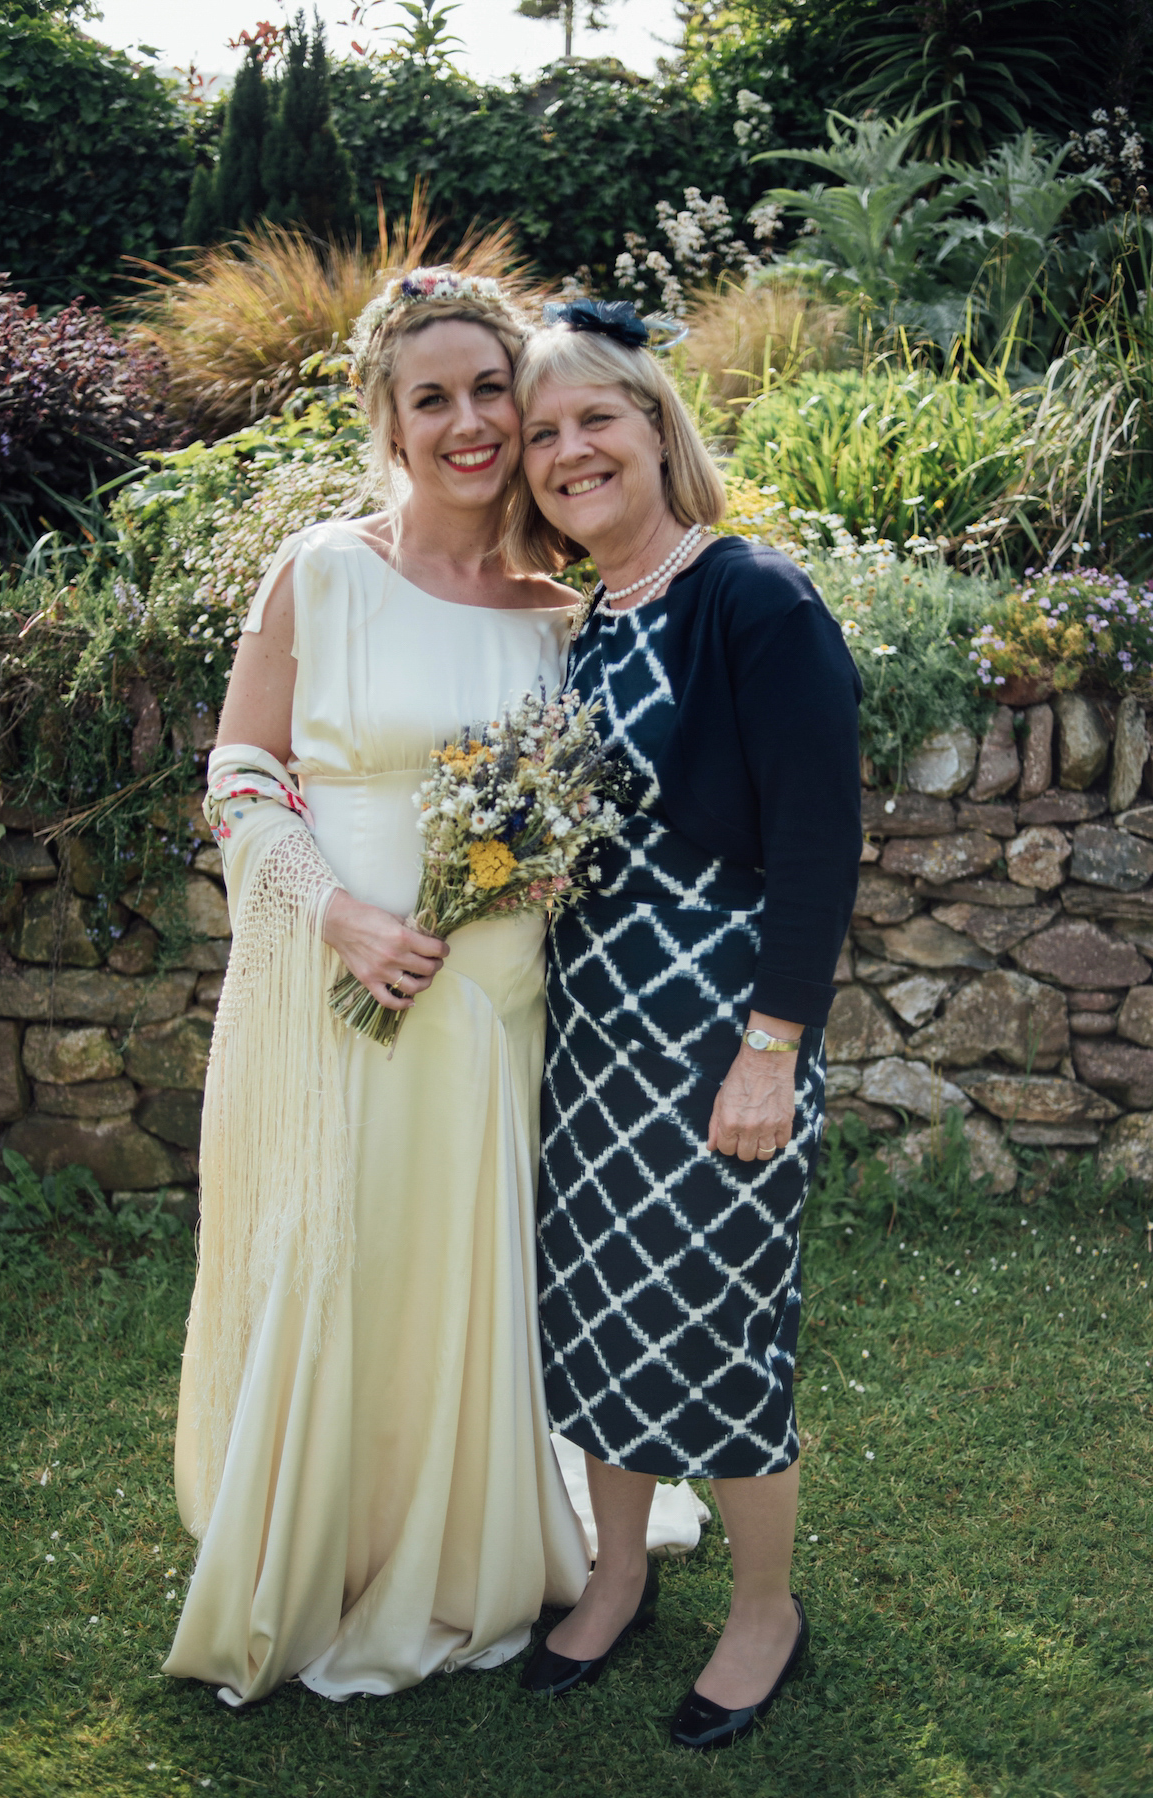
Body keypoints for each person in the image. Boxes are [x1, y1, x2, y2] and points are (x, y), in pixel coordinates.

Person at [163, 269, 594, 1706]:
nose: (470, 422)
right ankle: (320, 1547)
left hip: (495, 996)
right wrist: (337, 917)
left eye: (492, 390)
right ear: (389, 422)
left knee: (465, 1268)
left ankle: (463, 1546)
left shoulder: (558, 610)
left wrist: (535, 874)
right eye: (435, 398)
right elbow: (237, 775)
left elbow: (570, 808)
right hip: (337, 986)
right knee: (332, 1254)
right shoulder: (322, 570)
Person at [506, 302, 863, 1751]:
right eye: (541, 433)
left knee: (722, 1328)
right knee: (589, 1315)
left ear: (657, 422)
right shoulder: (589, 616)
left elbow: (821, 841)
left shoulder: (752, 598)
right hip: (591, 1040)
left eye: (596, 416)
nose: (568, 448)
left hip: (721, 1037)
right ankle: (612, 1573)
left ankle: (764, 1606)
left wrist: (771, 1045)